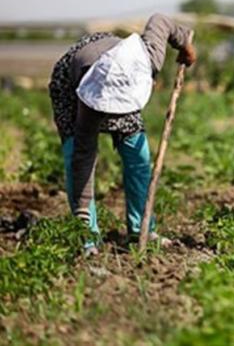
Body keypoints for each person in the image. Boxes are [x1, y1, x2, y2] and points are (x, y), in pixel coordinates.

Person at [49, 14, 197, 254]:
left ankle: (143, 229)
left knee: (138, 156)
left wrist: (185, 45)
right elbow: (82, 159)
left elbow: (160, 21)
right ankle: (86, 236)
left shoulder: (148, 58)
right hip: (75, 82)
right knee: (75, 153)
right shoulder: (88, 100)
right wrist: (84, 222)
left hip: (123, 71)